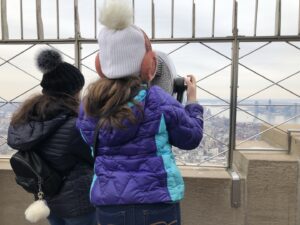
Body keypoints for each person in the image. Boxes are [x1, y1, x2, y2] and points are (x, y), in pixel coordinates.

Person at [77, 0, 203, 224]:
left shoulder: (89, 106)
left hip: (109, 205)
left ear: (100, 64)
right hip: (157, 201)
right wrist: (192, 103)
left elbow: (88, 140)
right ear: (149, 65)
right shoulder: (157, 100)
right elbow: (191, 138)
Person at [7, 49, 97, 225]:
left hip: (47, 197)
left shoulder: (27, 118)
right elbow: (94, 157)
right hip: (79, 202)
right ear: (73, 91)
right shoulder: (75, 124)